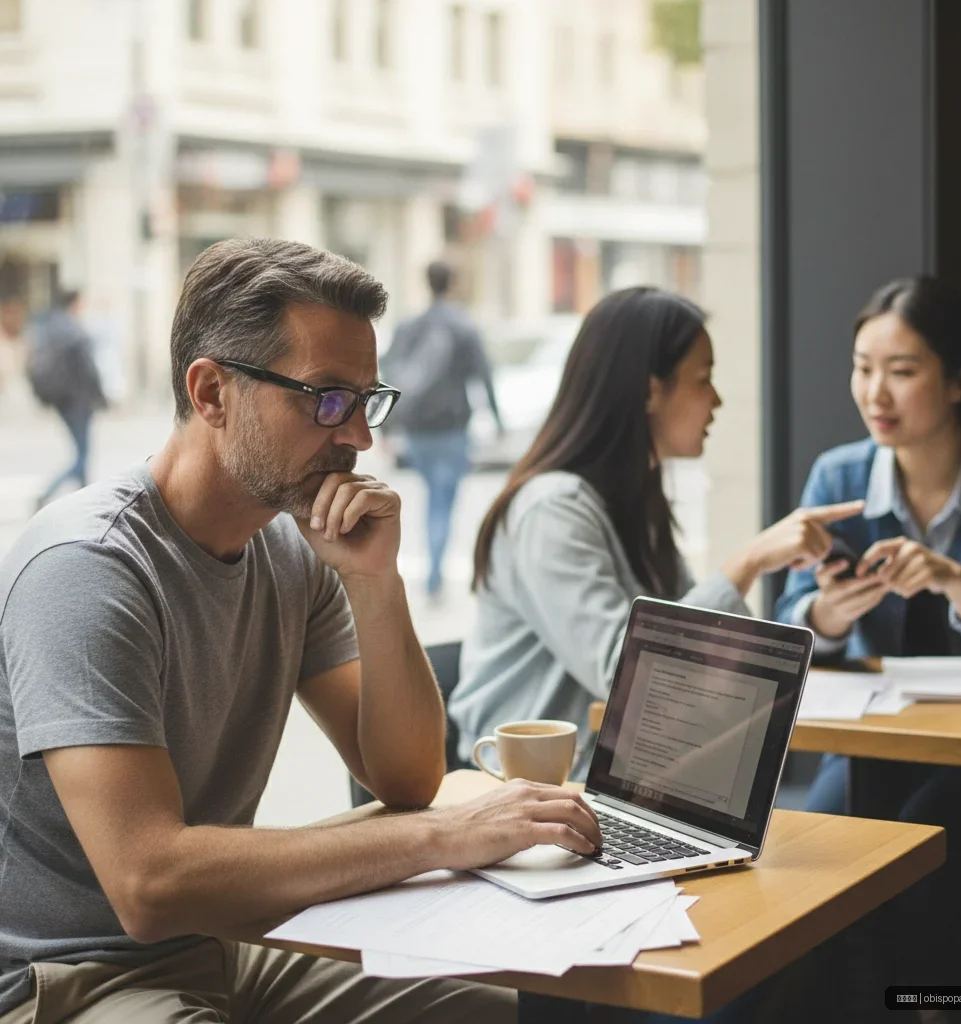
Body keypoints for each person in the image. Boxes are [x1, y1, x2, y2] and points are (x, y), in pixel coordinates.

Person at [0, 238, 605, 1024]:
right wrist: (444, 839)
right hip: (66, 980)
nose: (359, 437)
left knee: (489, 1006)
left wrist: (375, 584)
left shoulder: (290, 545)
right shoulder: (89, 567)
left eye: (366, 400)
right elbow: (149, 883)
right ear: (212, 391)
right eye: (325, 398)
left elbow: (406, 779)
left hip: (223, 942)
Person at [447, 286, 862, 782]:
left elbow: (700, 650)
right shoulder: (551, 510)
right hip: (532, 791)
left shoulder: (633, 500)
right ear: (649, 391)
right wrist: (749, 561)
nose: (718, 400)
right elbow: (625, 675)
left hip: (628, 778)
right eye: (703, 380)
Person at [774, 276, 961, 1000]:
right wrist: (830, 614)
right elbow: (794, 613)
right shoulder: (840, 475)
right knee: (808, 871)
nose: (874, 393)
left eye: (903, 371)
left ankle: (955, 1009)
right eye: (863, 367)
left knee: (912, 862)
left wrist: (958, 584)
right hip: (872, 744)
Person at [382, 260, 503, 597]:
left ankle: (431, 573)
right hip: (452, 427)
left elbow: (389, 374)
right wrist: (497, 420)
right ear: (453, 284)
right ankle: (434, 575)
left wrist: (387, 429)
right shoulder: (464, 326)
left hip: (417, 428)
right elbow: (484, 376)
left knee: (430, 496)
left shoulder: (409, 326)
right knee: (441, 500)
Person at [26, 288, 106, 506]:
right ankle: (48, 493)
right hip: (78, 400)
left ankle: (84, 499)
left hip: (60, 399)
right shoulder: (73, 330)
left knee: (81, 452)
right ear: (75, 303)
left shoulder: (48, 327)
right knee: (82, 454)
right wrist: (101, 396)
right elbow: (88, 368)